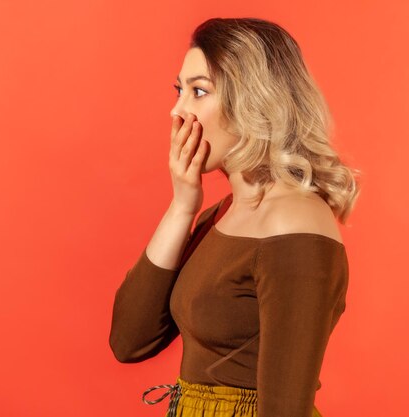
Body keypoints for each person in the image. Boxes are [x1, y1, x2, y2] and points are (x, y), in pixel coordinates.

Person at [109, 17, 361, 417]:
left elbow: (285, 409)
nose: (178, 111)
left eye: (199, 92)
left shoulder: (295, 224)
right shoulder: (221, 215)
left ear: (254, 101)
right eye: (179, 90)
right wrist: (183, 207)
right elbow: (130, 340)